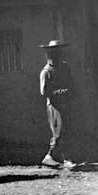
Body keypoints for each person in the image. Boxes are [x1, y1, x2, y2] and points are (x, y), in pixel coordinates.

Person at [39, 39, 76, 169]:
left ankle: (66, 158)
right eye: (54, 52)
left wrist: (68, 92)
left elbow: (71, 84)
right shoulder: (46, 71)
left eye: (59, 52)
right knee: (58, 131)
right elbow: (44, 91)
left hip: (66, 103)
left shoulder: (65, 67)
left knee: (67, 130)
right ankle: (50, 157)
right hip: (54, 106)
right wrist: (58, 92)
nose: (58, 55)